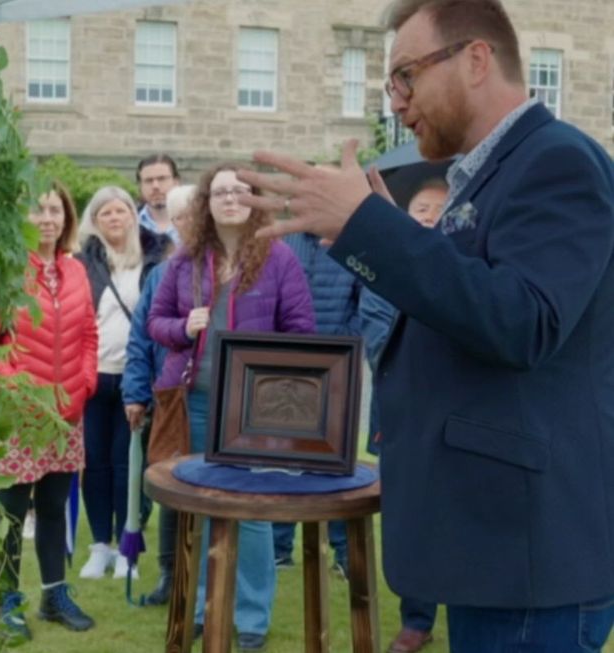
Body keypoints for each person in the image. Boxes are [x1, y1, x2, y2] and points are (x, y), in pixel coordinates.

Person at [239, 0, 614, 649]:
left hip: (531, 558)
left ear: (475, 59)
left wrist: (373, 229)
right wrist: (381, 233)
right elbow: (465, 305)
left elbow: (524, 321)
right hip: (496, 551)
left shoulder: (558, 161)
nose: (398, 102)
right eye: (392, 84)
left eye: (406, 76)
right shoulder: (490, 174)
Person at [148, 163, 315, 651]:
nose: (231, 199)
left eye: (241, 190)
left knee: (254, 513)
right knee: (201, 507)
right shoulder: (184, 261)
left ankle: (251, 621)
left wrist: (270, 372)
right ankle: (202, 606)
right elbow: (156, 321)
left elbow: (302, 330)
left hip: (253, 410)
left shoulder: (280, 259)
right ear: (207, 202)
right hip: (196, 402)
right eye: (221, 191)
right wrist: (184, 329)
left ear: (255, 199)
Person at [0, 182, 98, 638]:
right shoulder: (7, 271)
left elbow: (88, 333)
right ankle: (7, 602)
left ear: (67, 218)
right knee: (11, 513)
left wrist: (85, 382)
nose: (47, 218)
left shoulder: (76, 271)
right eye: (37, 208)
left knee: (52, 507)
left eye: (55, 210)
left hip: (68, 412)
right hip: (17, 415)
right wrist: (21, 396)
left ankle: (54, 595)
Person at [360, 178, 448, 653]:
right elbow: (378, 340)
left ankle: (467, 605)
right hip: (402, 419)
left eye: (440, 208)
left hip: (459, 420)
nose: (430, 215)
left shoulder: (470, 272)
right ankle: (416, 619)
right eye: (421, 207)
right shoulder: (383, 272)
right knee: (411, 519)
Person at [76, 186, 170, 580]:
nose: (114, 219)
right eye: (105, 214)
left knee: (128, 463)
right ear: (94, 222)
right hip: (93, 376)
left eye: (121, 211)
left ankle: (127, 545)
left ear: (133, 215)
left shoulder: (155, 258)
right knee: (94, 463)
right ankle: (101, 545)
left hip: (137, 377)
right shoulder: (83, 263)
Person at [273, 217, 364, 576]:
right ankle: (280, 549)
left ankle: (341, 552)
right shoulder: (283, 240)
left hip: (337, 362)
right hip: (286, 364)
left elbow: (366, 299)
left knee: (335, 462)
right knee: (283, 457)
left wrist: (345, 338)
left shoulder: (353, 240)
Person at [121, 183, 197, 606]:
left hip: (209, 397)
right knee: (171, 488)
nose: (185, 225)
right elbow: (140, 338)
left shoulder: (229, 268)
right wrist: (135, 394)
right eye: (178, 217)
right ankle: (171, 575)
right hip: (167, 398)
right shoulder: (163, 274)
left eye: (192, 215)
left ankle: (207, 578)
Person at [136, 154, 181, 244]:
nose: (155, 186)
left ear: (176, 182)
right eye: (148, 180)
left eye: (162, 179)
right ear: (140, 186)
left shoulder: (197, 223)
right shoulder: (130, 223)